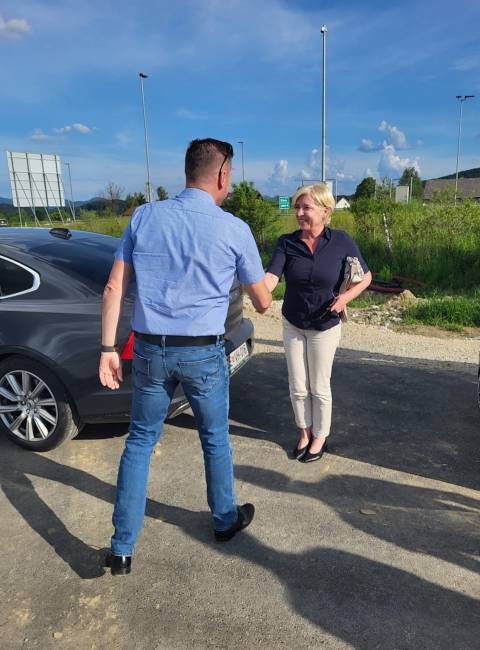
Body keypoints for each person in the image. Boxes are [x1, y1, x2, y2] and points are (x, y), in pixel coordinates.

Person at [99, 138, 272, 575]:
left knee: (140, 441)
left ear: (187, 172)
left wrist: (106, 349)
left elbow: (114, 287)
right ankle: (224, 520)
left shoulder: (144, 216)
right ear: (222, 175)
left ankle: (122, 548)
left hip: (150, 351)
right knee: (214, 438)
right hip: (202, 354)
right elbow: (263, 301)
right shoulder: (234, 229)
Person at [265, 183, 371, 463]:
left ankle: (320, 436)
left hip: (325, 326)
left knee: (319, 386)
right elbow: (272, 277)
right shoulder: (286, 243)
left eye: (306, 207)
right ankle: (304, 432)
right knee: (298, 385)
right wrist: (256, 289)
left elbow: (367, 277)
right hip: (294, 323)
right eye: (297, 207)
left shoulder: (341, 241)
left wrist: (345, 298)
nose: (300, 213)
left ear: (325, 211)